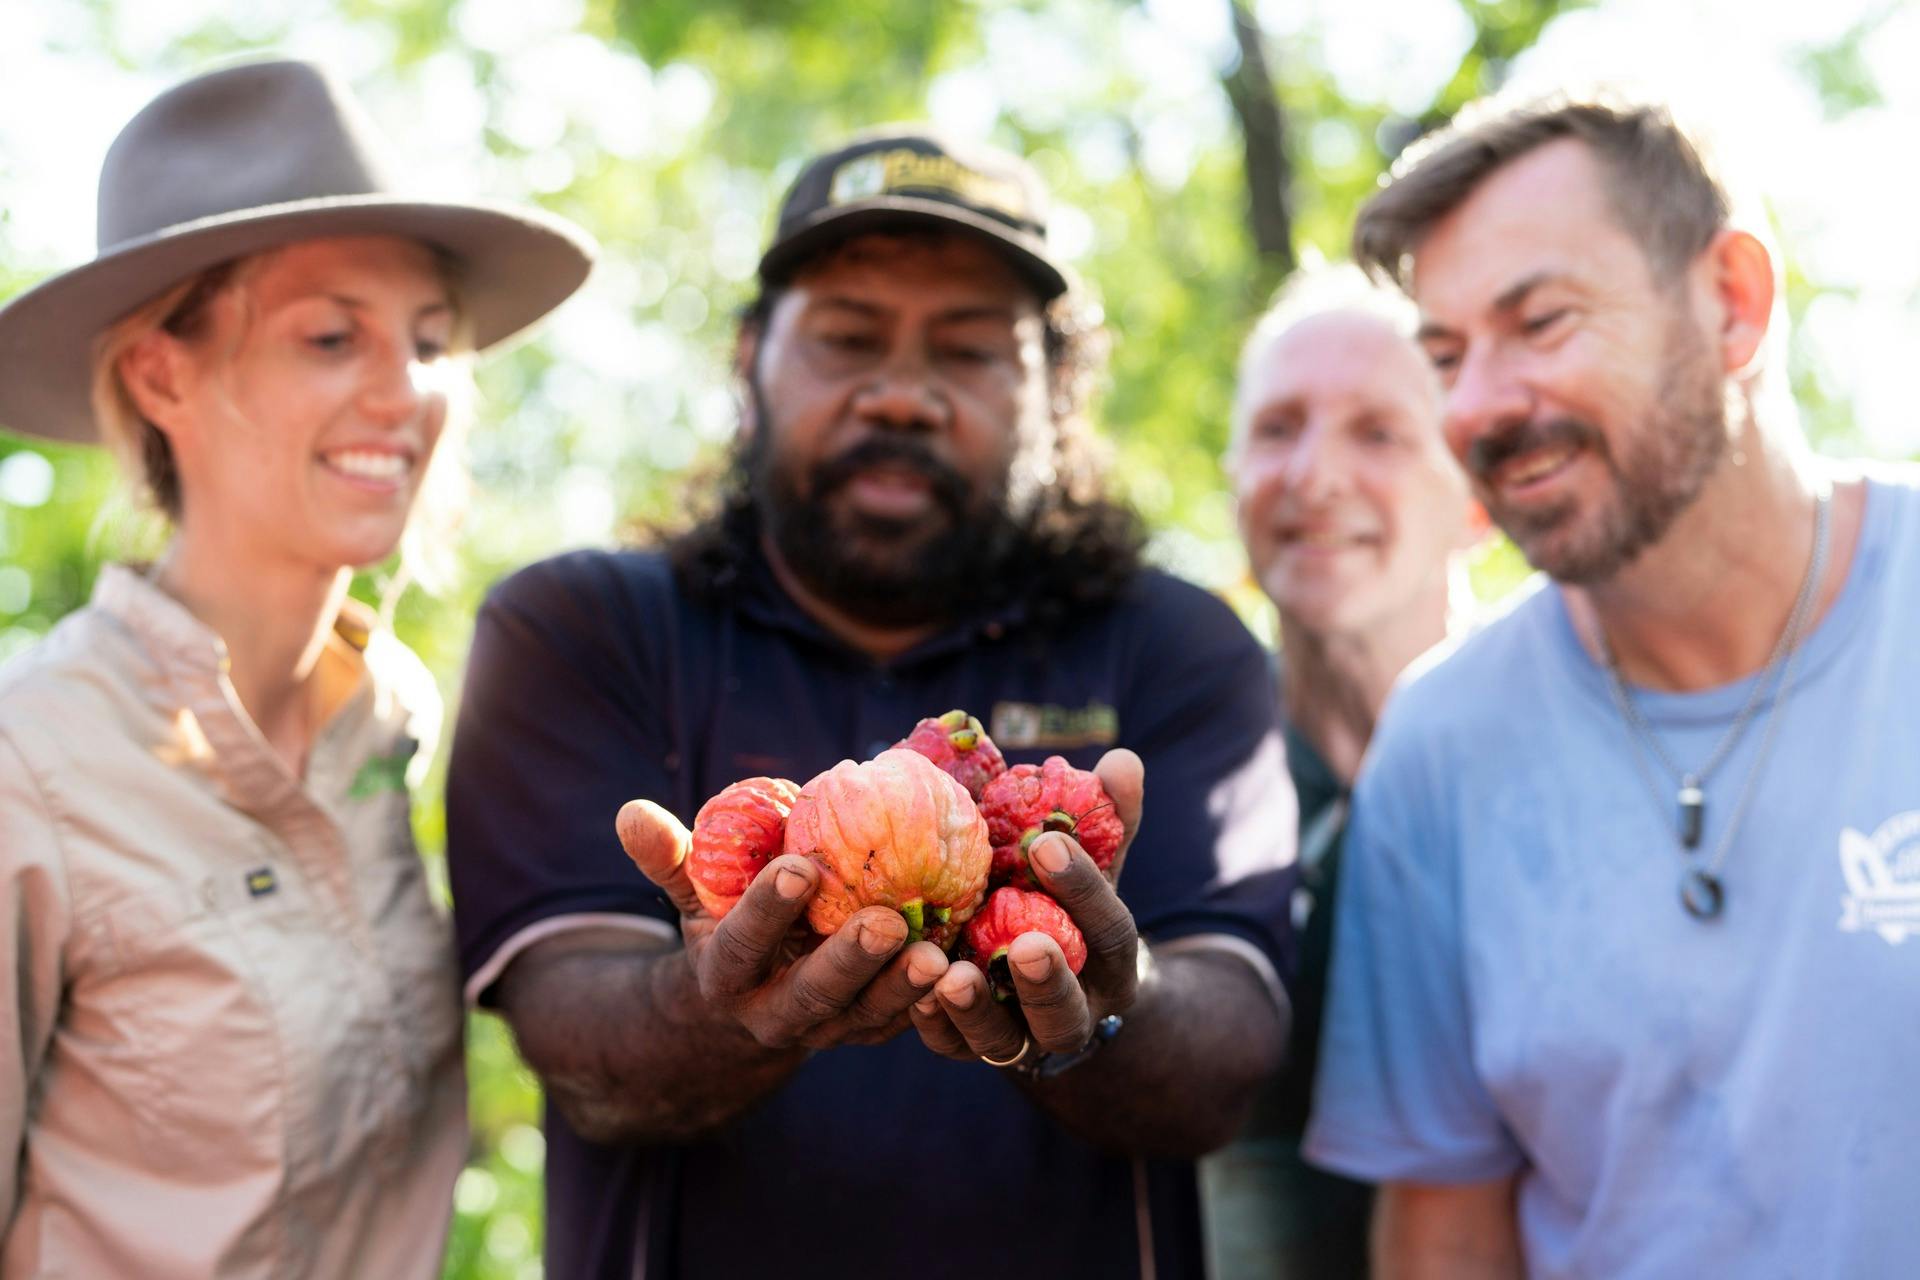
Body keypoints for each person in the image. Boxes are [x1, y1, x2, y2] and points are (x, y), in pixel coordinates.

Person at [446, 128, 1298, 1279]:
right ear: (749, 360)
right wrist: (722, 1003)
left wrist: (1109, 999)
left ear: (1055, 390)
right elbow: (580, 1049)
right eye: (848, 338)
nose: (901, 394)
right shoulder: (582, 630)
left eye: (967, 349)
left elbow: (1227, 1058)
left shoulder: (1176, 645)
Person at [1303, 90, 1920, 1278]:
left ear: (1732, 301)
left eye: (1540, 321)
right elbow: (1444, 1238)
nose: (1476, 403)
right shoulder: (1440, 745)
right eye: (1446, 354)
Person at [0, 59, 592, 1278]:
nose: (407, 393)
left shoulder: (393, 718)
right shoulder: (33, 766)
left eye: (431, 340)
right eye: (332, 336)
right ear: (162, 372)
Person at [1202, 266, 1478, 1278]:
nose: (1315, 473)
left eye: (1380, 431)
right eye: (1277, 427)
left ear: (1479, 490)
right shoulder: (1187, 786)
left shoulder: (1563, 753)